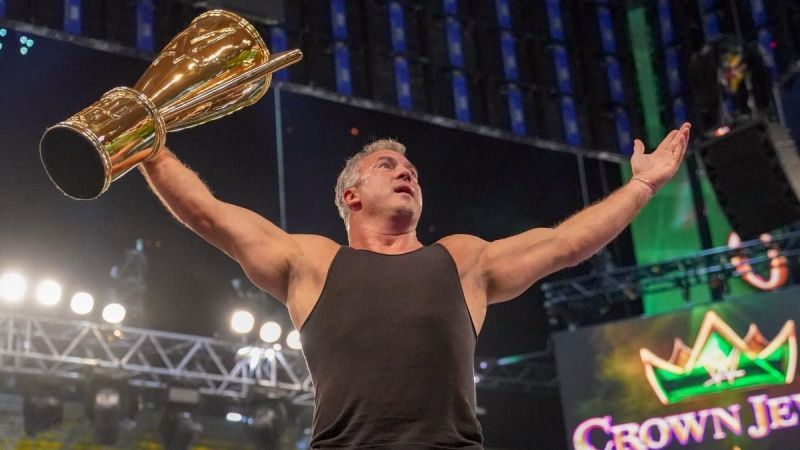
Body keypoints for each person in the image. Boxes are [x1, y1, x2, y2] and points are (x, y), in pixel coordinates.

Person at [139, 122, 691, 448]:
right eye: (387, 166)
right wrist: (152, 149)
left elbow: (567, 242)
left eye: (412, 172)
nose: (407, 172)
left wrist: (642, 184)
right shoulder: (312, 261)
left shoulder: (462, 259)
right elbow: (209, 215)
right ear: (351, 196)